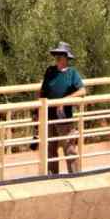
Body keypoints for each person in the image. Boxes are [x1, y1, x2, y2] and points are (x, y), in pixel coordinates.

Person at [38, 42, 86, 175]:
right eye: (57, 55)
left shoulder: (72, 73)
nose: (58, 57)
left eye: (61, 55)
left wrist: (65, 100)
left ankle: (75, 175)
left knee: (69, 148)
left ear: (67, 58)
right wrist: (38, 111)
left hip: (64, 118)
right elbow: (42, 91)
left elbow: (82, 91)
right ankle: (52, 177)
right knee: (50, 149)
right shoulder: (50, 71)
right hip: (48, 116)